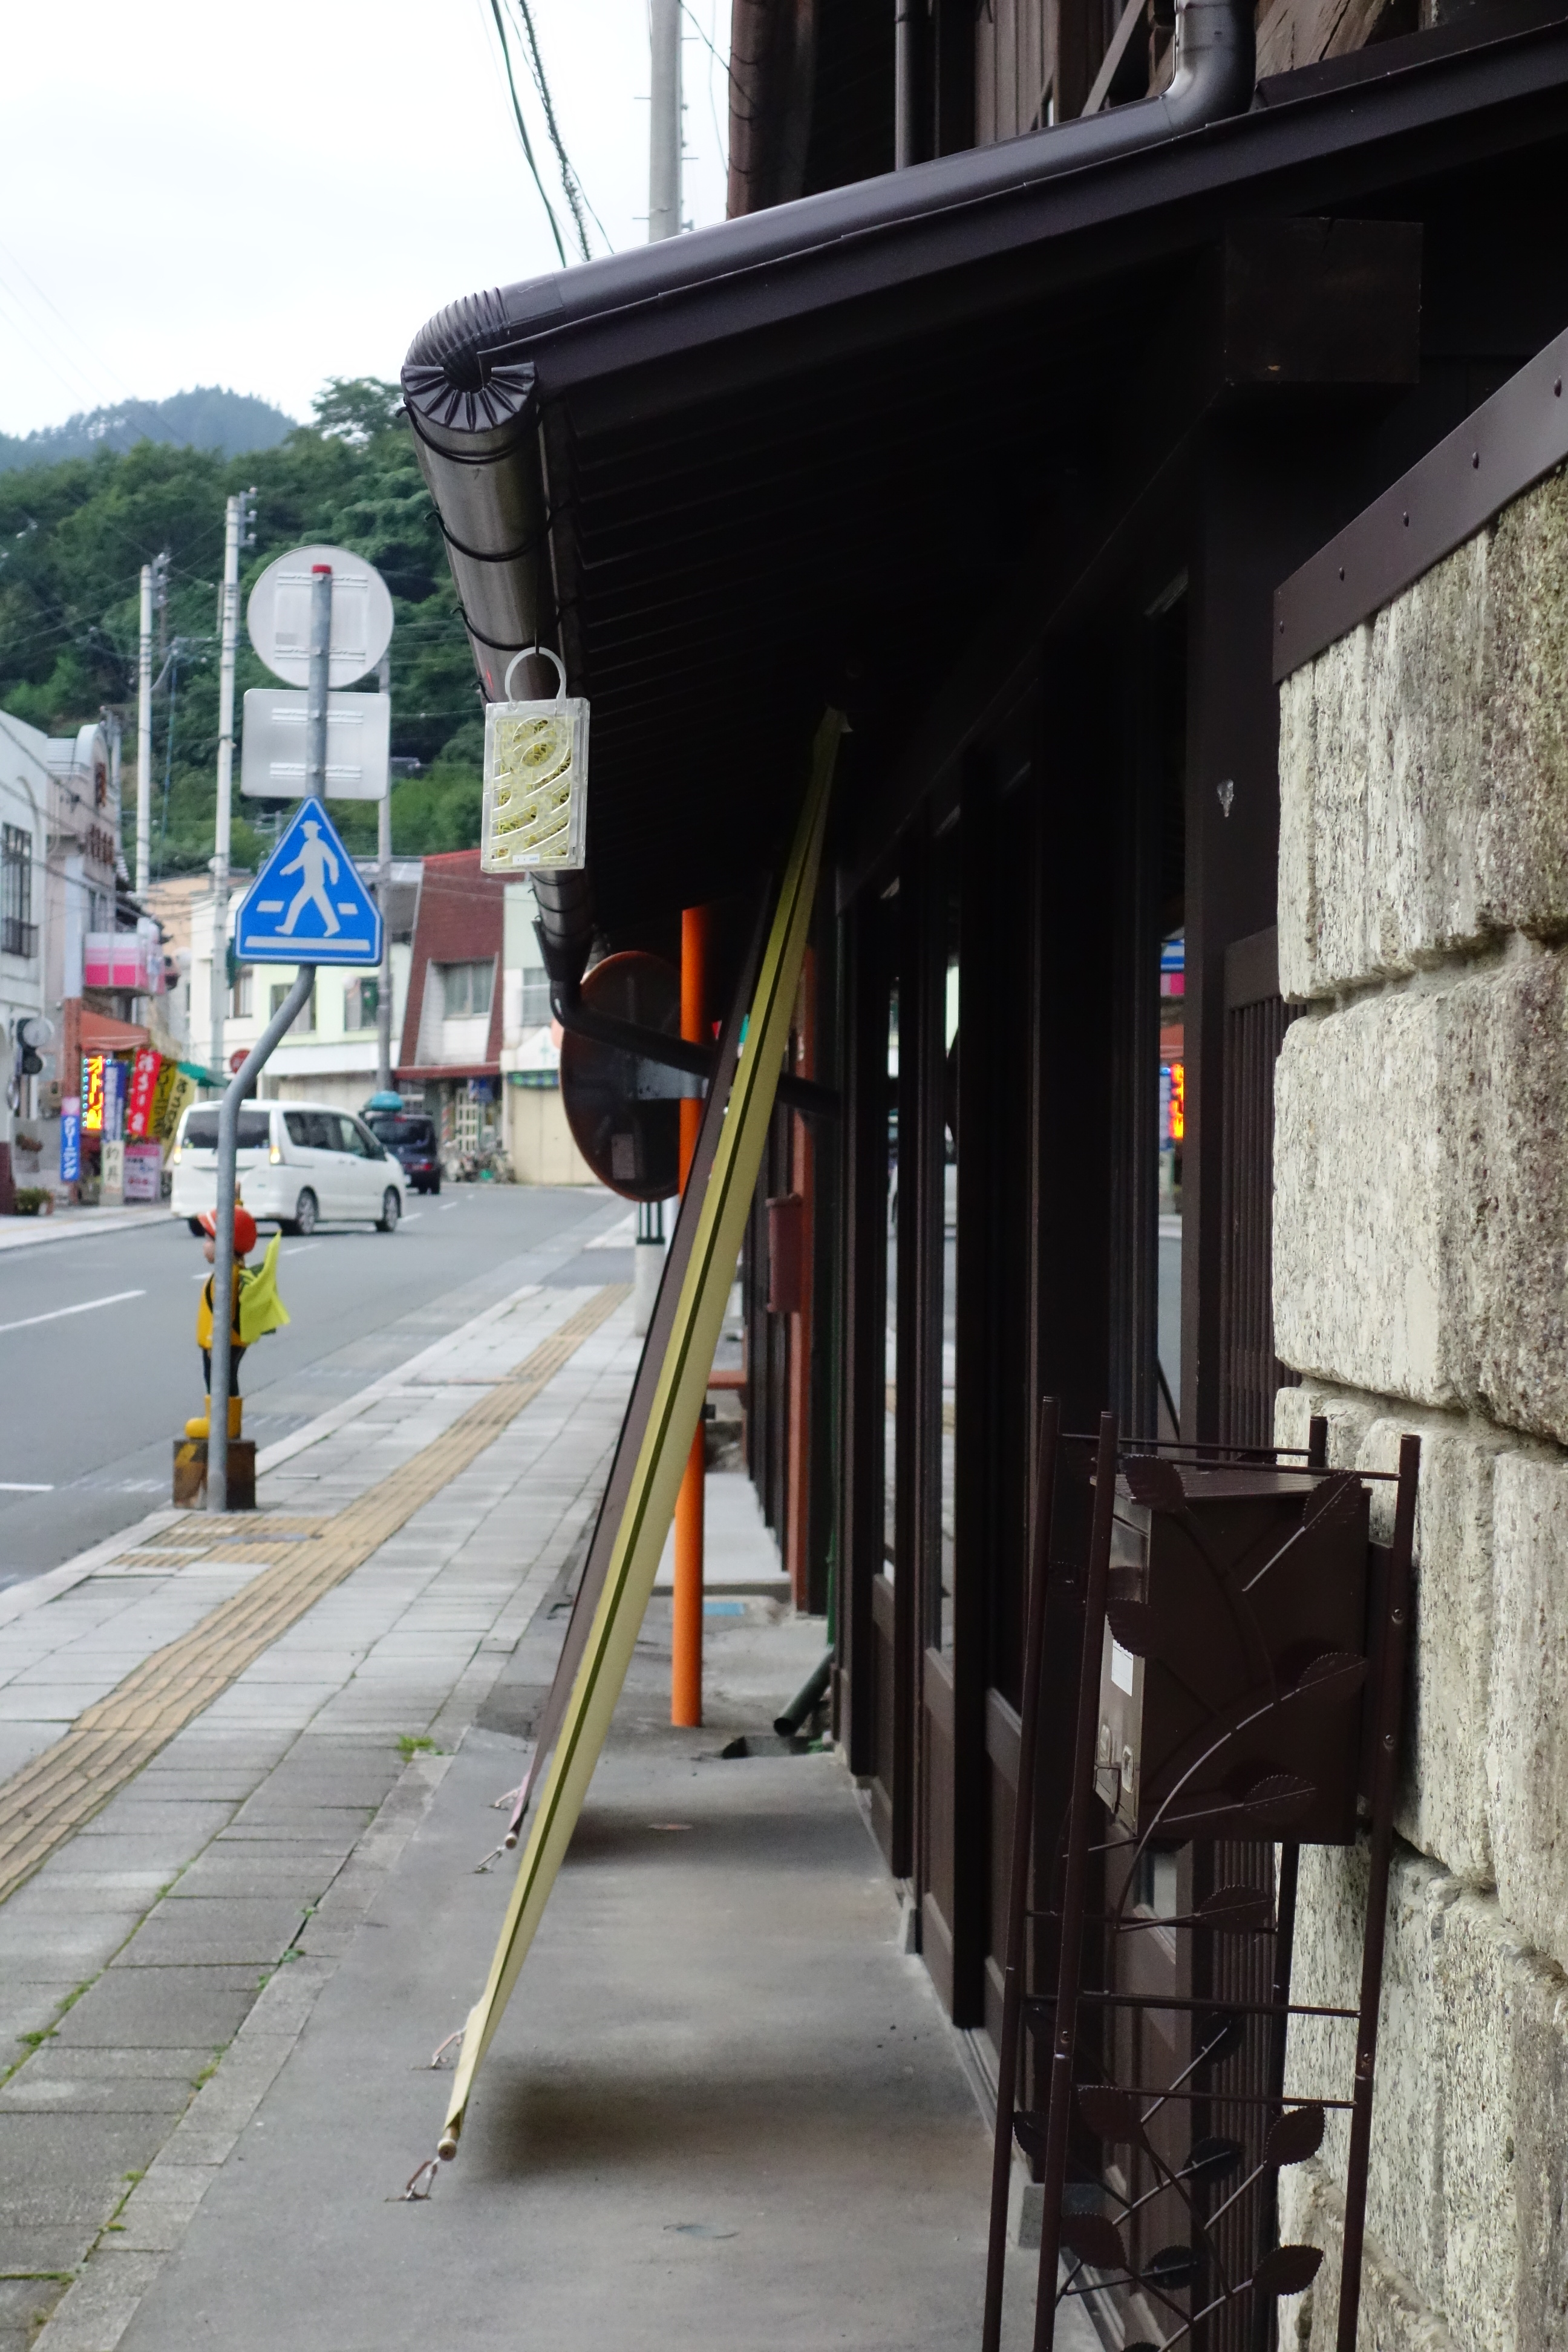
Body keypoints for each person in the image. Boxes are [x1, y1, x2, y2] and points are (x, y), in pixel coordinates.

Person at [186, 1205, 258, 1442]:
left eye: (209, 1239)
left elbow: (223, 1315)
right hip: (230, 1343)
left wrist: (213, 1344)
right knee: (228, 1380)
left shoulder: (226, 1278)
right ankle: (229, 1423)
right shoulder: (235, 1269)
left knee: (218, 1383)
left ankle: (219, 1423)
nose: (204, 1245)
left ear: (225, 1244)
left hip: (219, 1345)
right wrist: (235, 1201)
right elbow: (238, 1223)